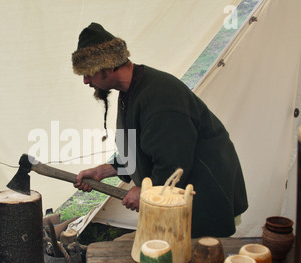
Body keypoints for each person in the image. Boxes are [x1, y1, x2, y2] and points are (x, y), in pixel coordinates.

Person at [71, 22, 248, 238]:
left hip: (205, 195)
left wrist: (148, 190)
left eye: (88, 72)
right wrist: (102, 171)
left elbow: (174, 163)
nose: (85, 80)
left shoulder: (159, 97)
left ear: (109, 66)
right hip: (181, 196)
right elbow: (140, 149)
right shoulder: (129, 92)